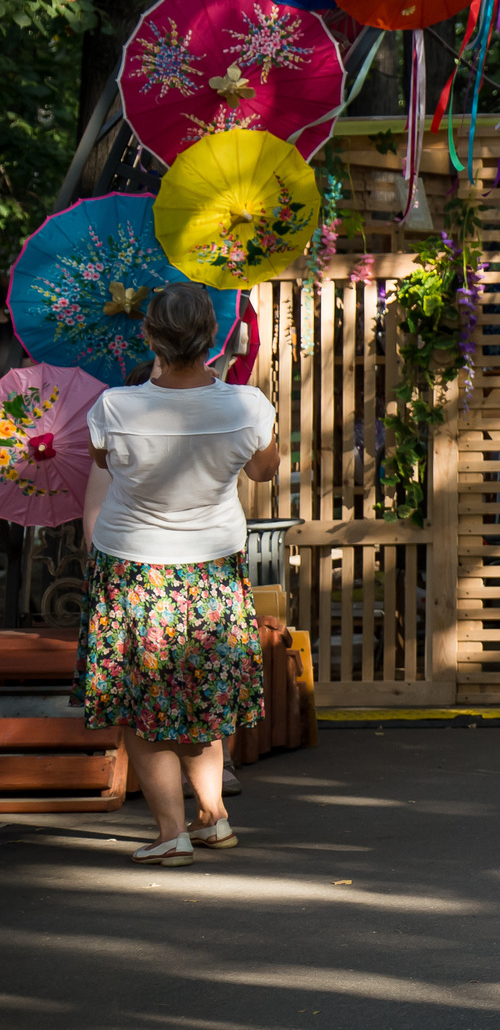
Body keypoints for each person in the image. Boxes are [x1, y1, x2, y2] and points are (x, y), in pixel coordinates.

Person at [80, 283, 281, 866]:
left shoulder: (115, 407)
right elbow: (265, 471)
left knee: (140, 707)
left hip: (134, 571)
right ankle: (212, 816)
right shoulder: (248, 405)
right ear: (212, 338)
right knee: (205, 697)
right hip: (212, 570)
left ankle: (172, 831)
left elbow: (103, 463)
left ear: (147, 334)